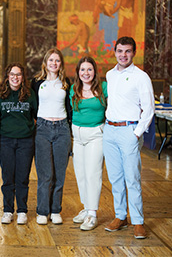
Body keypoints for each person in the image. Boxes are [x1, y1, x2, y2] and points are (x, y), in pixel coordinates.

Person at [102, 36, 154, 239]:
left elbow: (149, 108)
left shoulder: (141, 77)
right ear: (114, 52)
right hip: (110, 130)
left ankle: (138, 221)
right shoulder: (109, 75)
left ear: (133, 53)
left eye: (128, 51)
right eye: (120, 51)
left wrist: (137, 133)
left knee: (132, 178)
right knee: (115, 178)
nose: (123, 55)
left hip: (129, 130)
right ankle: (120, 216)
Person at [31, 48, 72, 225]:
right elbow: (33, 105)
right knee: (45, 174)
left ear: (60, 63)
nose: (54, 63)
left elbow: (69, 106)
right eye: (51, 60)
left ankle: (55, 210)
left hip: (62, 129)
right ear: (45, 63)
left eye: (57, 60)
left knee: (59, 174)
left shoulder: (66, 82)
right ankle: (42, 211)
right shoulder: (37, 82)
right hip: (42, 128)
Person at [0, 63, 38, 225]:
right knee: (7, 177)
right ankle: (7, 210)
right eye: (12, 74)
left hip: (26, 140)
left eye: (19, 74)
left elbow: (36, 115)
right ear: (7, 76)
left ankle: (22, 210)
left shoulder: (30, 95)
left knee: (22, 177)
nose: (15, 77)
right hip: (5, 139)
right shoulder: (0, 94)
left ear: (23, 77)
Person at [69, 57, 107, 231]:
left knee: (93, 174)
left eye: (89, 69)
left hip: (95, 135)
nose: (86, 73)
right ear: (78, 72)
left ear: (95, 71)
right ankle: (86, 207)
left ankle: (92, 214)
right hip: (77, 136)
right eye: (82, 69)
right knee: (81, 174)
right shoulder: (73, 89)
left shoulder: (104, 88)